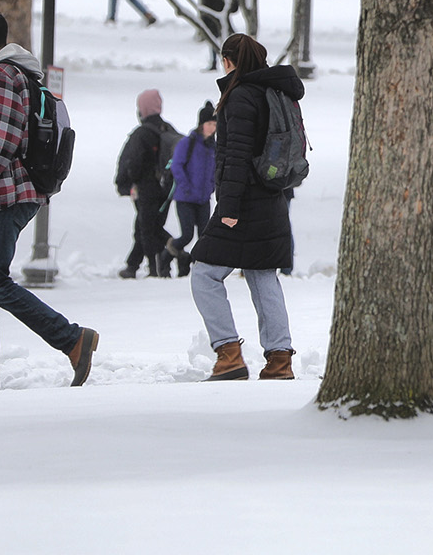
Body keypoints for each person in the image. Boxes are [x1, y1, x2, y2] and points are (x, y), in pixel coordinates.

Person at [0, 7, 99, 392]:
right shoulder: (16, 74)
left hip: (5, 193)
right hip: (8, 191)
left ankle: (73, 339)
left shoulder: (2, 76)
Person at [188, 33, 301, 381]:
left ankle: (228, 355)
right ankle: (279, 360)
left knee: (204, 274)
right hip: (273, 200)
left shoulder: (239, 97)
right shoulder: (276, 91)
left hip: (245, 204)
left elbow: (235, 156)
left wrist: (229, 207)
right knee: (263, 275)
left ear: (228, 61)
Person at [116, 89, 179, 279]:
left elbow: (132, 162)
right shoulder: (168, 130)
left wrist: (126, 182)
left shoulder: (141, 134)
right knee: (148, 226)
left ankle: (157, 266)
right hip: (167, 188)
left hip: (146, 187)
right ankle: (133, 265)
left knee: (147, 229)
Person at [164, 101, 218, 278]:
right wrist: (185, 186)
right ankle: (167, 255)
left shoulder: (213, 147)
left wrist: (211, 186)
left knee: (204, 237)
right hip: (185, 198)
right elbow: (177, 166)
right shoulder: (187, 143)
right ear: (201, 124)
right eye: (209, 124)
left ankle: (195, 267)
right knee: (186, 235)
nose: (212, 128)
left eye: (214, 125)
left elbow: (215, 169)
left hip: (203, 199)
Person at [198, 0, 233, 71]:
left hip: (219, 17)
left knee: (225, 41)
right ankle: (216, 63)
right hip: (212, 17)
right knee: (215, 41)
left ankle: (227, 63)